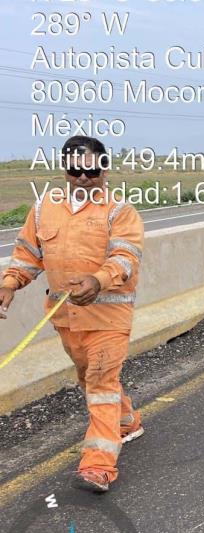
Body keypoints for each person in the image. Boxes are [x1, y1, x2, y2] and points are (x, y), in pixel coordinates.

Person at [0, 136, 145, 493]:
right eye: (75, 170)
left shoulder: (119, 211)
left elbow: (126, 258)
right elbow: (27, 254)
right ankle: (127, 420)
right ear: (65, 169)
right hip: (66, 319)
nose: (83, 178)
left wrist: (99, 280)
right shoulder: (43, 209)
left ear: (104, 169)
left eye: (91, 170)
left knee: (99, 383)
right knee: (90, 377)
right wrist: (9, 283)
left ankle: (98, 466)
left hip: (108, 320)